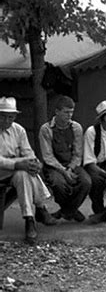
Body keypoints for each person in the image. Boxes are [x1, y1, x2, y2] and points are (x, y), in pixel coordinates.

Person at [0, 96, 57, 243]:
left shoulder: (18, 130)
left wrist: (35, 163)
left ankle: (29, 219)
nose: (7, 120)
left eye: (10, 117)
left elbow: (28, 152)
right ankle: (40, 207)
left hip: (16, 171)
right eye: (3, 116)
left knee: (25, 173)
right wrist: (20, 163)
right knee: (23, 169)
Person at [39, 96, 91, 222]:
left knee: (86, 182)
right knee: (59, 184)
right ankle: (71, 211)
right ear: (57, 112)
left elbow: (78, 154)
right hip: (54, 166)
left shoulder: (76, 128)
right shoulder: (46, 129)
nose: (69, 115)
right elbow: (48, 156)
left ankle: (66, 211)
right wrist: (64, 171)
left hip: (72, 164)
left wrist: (71, 168)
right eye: (66, 112)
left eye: (71, 112)